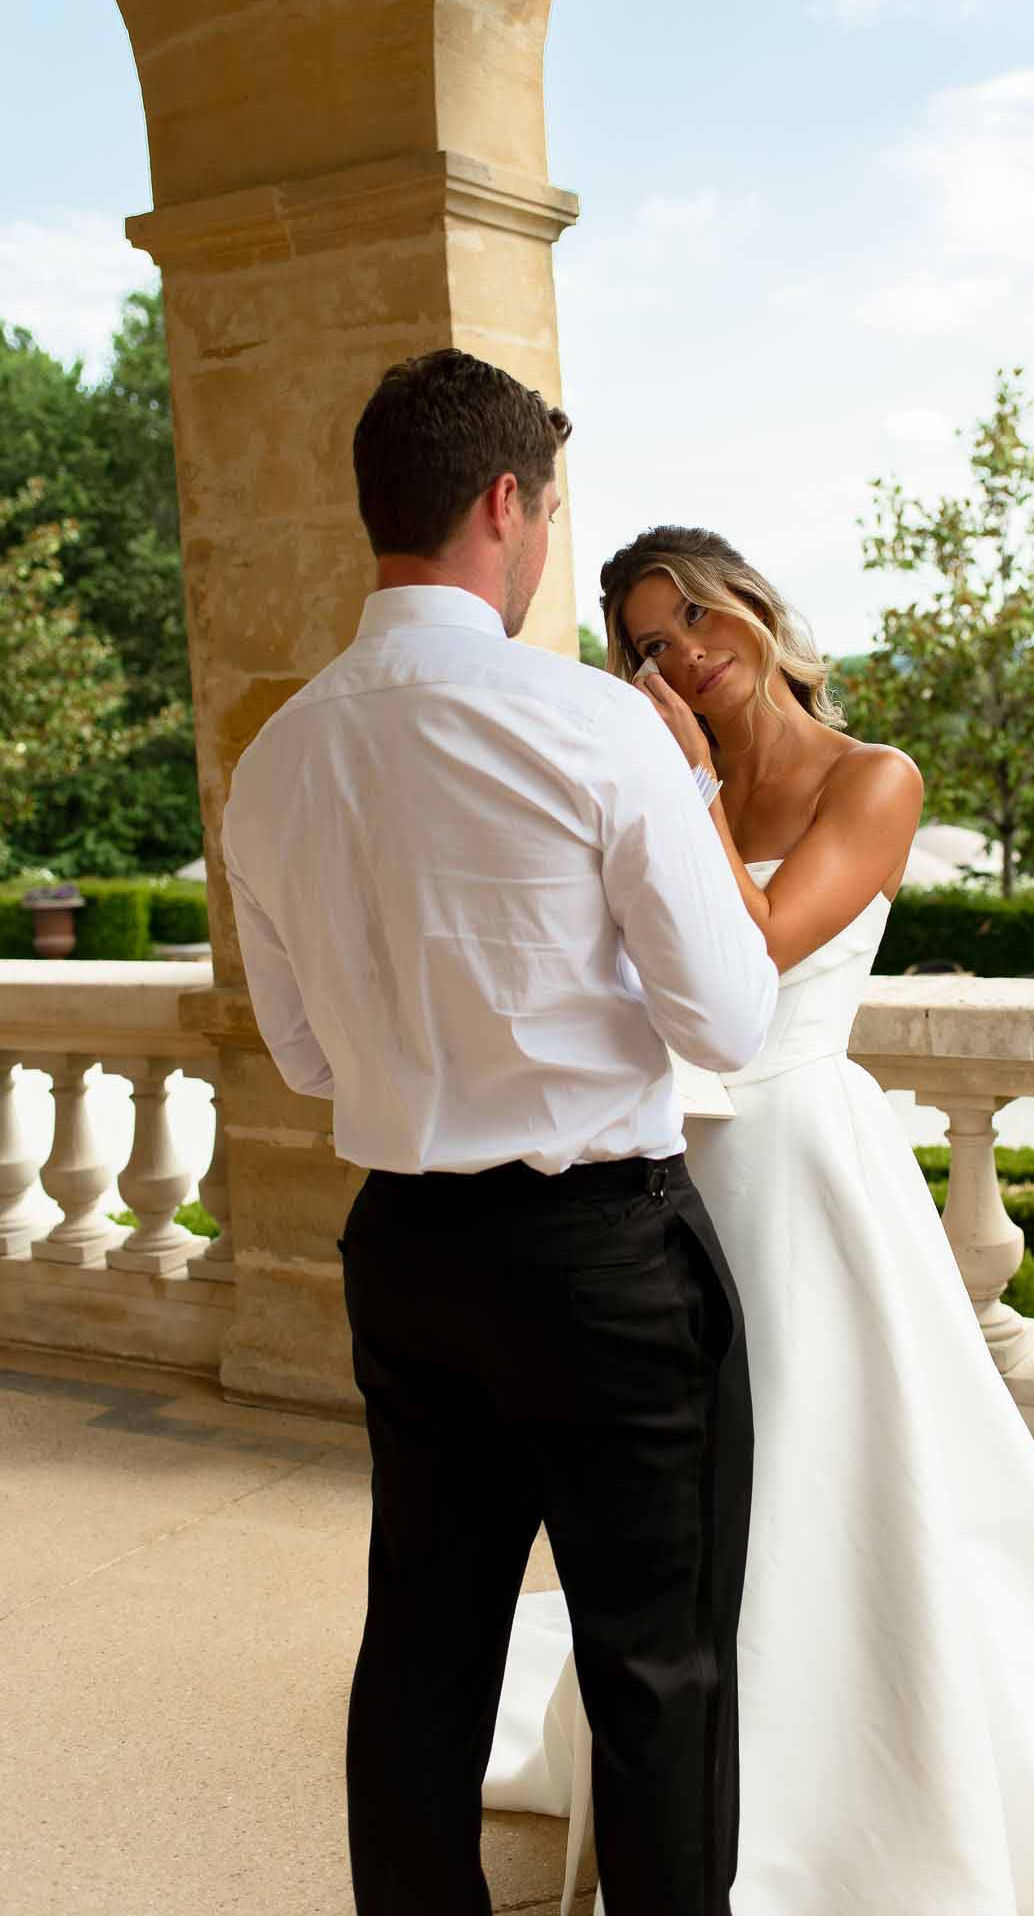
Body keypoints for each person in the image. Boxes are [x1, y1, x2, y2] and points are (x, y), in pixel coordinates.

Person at [486, 526, 1034, 1916]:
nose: (683, 653)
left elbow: (750, 950)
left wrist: (684, 786)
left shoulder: (871, 778)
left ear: (754, 611)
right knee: (684, 1489)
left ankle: (850, 1783)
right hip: (666, 1158)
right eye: (646, 641)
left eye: (696, 616)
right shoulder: (661, 772)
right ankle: (682, 1767)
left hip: (800, 1159)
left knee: (830, 1461)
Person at [221, 361, 779, 1916]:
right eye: (545, 511)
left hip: (405, 1249)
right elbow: (728, 1022)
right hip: (600, 1261)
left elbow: (305, 1054)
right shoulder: (597, 728)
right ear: (502, 504)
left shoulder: (271, 760)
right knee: (658, 1671)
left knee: (421, 1650)